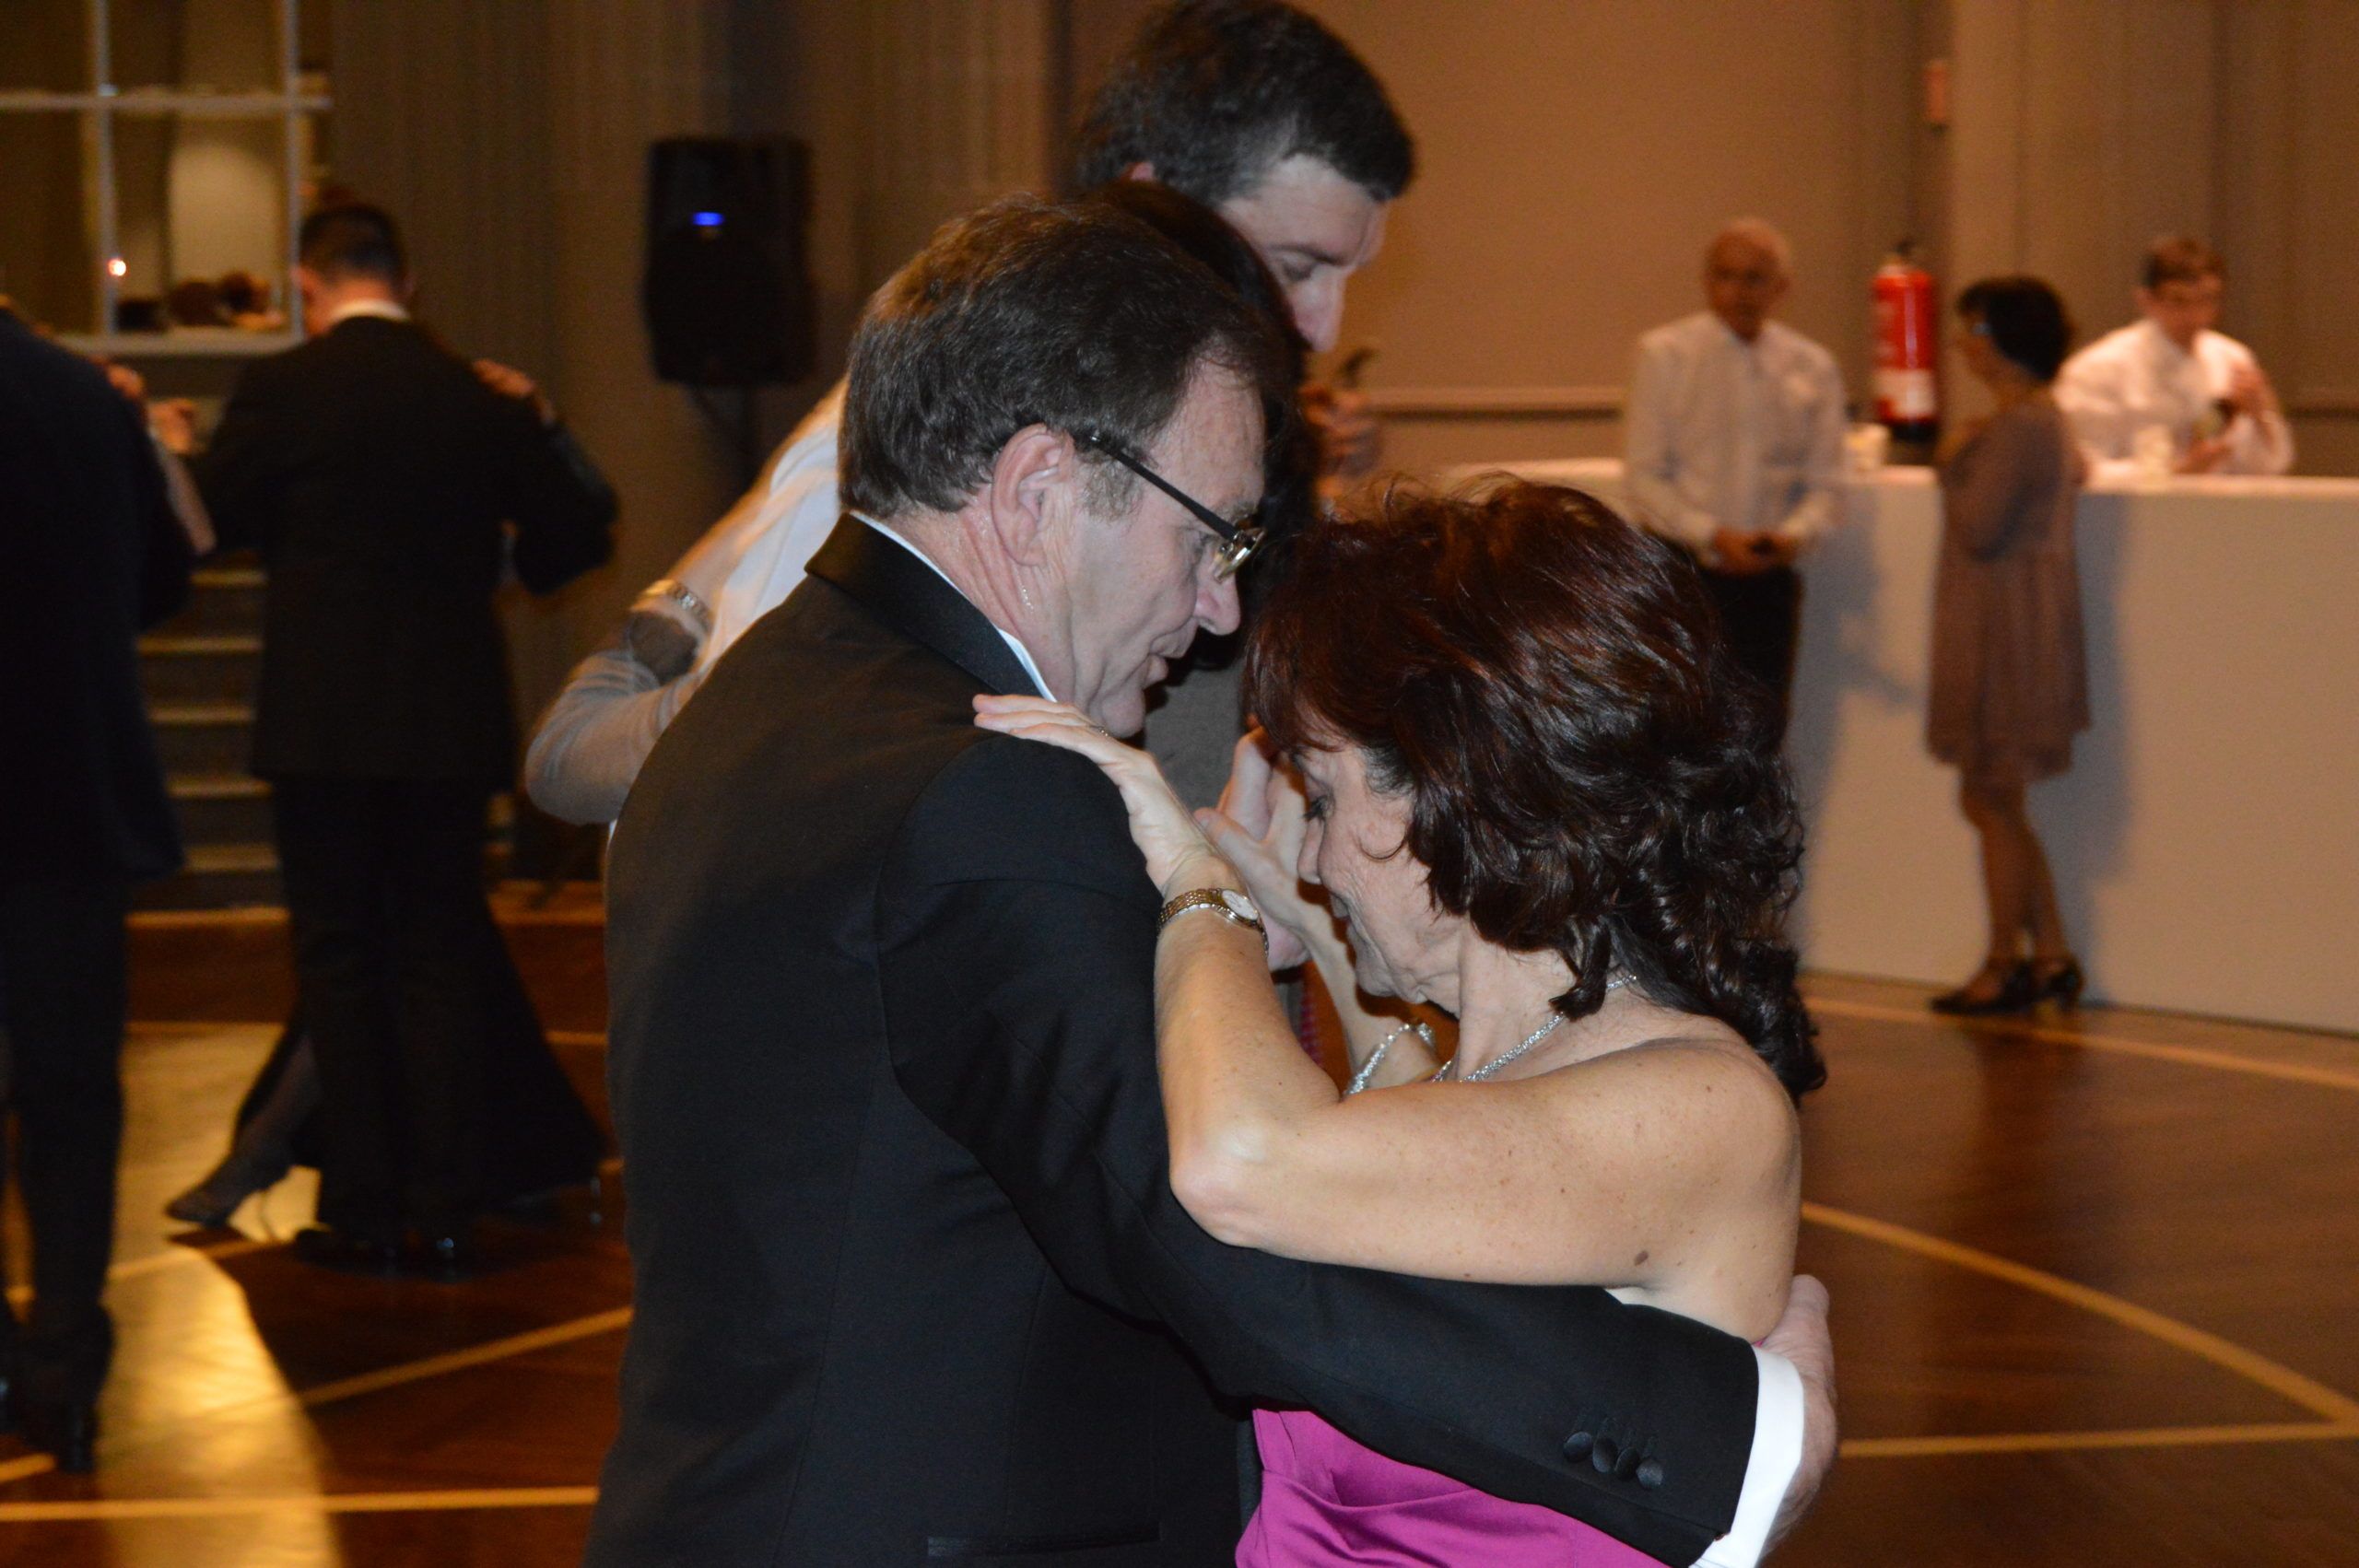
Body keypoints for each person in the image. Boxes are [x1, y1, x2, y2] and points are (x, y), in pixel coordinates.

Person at [587, 193, 1831, 1568]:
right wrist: (1744, 1437)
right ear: (1039, 491)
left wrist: (1243, 912)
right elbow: (1238, 1258)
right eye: (1211, 535)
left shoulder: (753, 703)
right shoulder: (992, 790)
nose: (1220, 606)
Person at [977, 476, 1823, 1562]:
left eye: (1325, 798)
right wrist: (1311, 925)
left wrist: (1201, 889)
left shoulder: (1701, 1105)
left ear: (1450, 783)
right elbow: (1415, 1128)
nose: (1317, 854)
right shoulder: (1501, 1076)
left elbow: (1243, 1162)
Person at [523, 0, 1410, 825]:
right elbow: (627, 759)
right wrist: (703, 577)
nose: (1321, 326)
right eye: (1296, 267)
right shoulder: (937, 436)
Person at [194, 203, 616, 1272]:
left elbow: (208, 520)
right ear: (409, 279)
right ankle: (447, 1201)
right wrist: (538, 437)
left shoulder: (282, 389)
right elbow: (575, 534)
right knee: (437, 951)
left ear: (307, 284)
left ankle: (366, 1207)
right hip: (446, 716)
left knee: (339, 956)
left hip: (320, 720)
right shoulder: (473, 393)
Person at [0, 303, 195, 1469]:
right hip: (68, 797)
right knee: (72, 1093)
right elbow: (161, 580)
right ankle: (67, 1363)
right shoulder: (86, 396)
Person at [1926, 276, 2088, 1015]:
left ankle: (2003, 961)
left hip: (2007, 629)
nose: (1964, 345)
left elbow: (1979, 525)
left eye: (1975, 331)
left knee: (1988, 794)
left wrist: (1951, 461)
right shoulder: (2036, 419)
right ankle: (2049, 951)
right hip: (2022, 620)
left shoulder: (2018, 426)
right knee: (2001, 799)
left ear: (2003, 342)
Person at [1625, 220, 1848, 743]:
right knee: (1680, 732)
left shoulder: (1812, 366)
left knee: (1761, 733)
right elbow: (1644, 479)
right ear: (1706, 281)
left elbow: (1828, 485)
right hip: (1683, 572)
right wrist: (1711, 534)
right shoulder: (1665, 355)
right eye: (1725, 276)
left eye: (1754, 278)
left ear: (1781, 288)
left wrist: (1793, 535)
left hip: (1769, 577)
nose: (1738, 292)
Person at [2055, 235, 2294, 479]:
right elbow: (2083, 468)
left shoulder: (2232, 359)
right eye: (2179, 300)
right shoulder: (2097, 369)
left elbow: (2268, 469)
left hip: (2221, 501)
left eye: (2207, 299)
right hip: (2135, 503)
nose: (2196, 316)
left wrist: (2261, 415)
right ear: (2147, 301)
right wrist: (2174, 472)